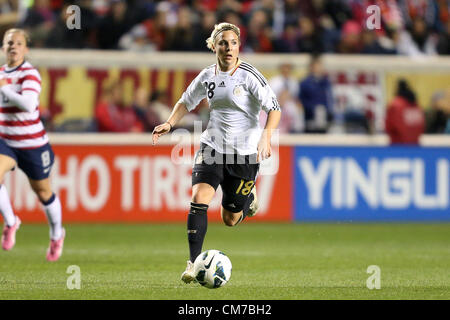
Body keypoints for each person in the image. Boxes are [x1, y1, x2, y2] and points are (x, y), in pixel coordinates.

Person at [152, 22, 281, 284]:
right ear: (214, 46)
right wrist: (170, 123)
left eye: (233, 42)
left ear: (238, 46)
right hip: (212, 147)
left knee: (230, 219)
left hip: (244, 154)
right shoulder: (206, 76)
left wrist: (266, 137)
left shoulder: (250, 75)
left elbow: (274, 108)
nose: (229, 47)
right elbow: (185, 100)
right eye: (223, 42)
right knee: (199, 197)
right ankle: (193, 263)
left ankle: (248, 198)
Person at [0, 28, 65, 261]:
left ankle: (57, 233)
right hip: (6, 141)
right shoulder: (1, 74)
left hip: (32, 144)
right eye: (9, 42)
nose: (13, 46)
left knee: (43, 192)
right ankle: (10, 221)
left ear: (26, 49)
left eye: (18, 43)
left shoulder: (30, 74)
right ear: (3, 47)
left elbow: (28, 104)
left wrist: (5, 88)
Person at [299, 54, 333, 133]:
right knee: (319, 110)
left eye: (320, 65)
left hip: (325, 115)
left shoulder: (326, 82)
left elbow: (329, 99)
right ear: (311, 67)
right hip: (310, 116)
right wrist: (313, 108)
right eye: (317, 66)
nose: (320, 68)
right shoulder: (305, 83)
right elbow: (301, 101)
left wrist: (328, 110)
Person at [385, 79, 425, 145]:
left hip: (398, 145)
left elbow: (388, 126)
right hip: (415, 145)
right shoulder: (416, 105)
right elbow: (422, 125)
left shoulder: (395, 105)